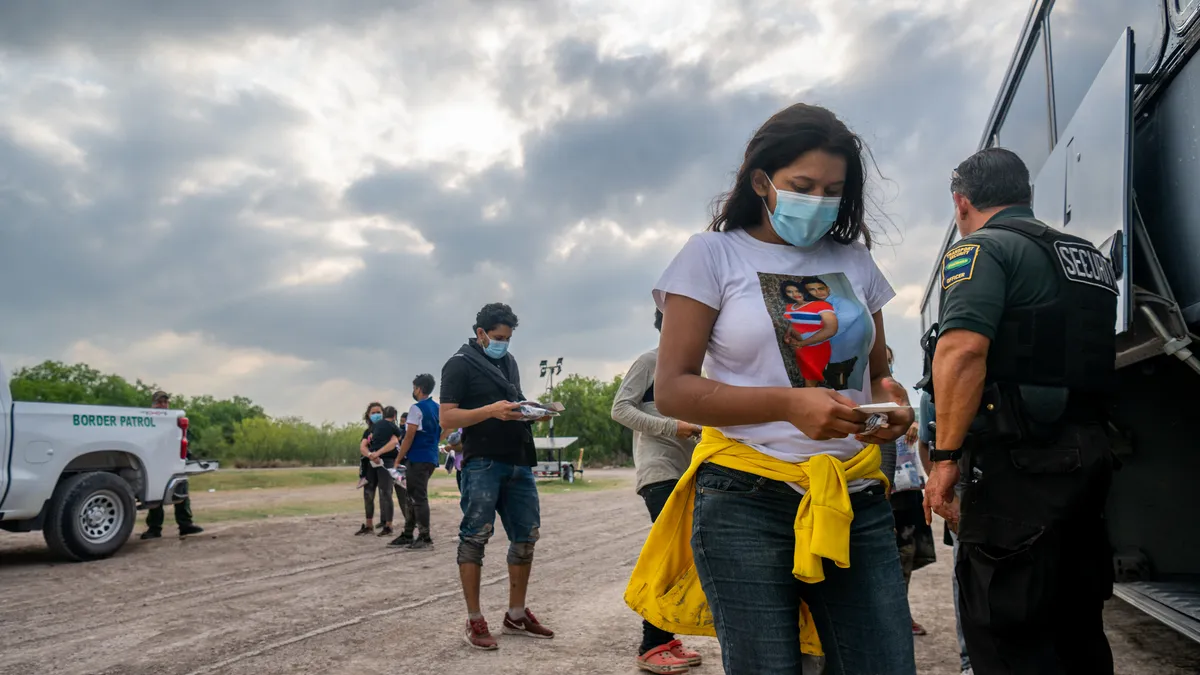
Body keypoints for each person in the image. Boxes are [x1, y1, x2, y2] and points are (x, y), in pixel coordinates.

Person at [625, 103, 916, 675]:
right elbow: (675, 390)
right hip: (744, 499)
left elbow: (878, 369)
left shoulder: (854, 260)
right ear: (761, 181)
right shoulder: (710, 255)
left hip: (853, 497)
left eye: (833, 190)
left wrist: (894, 401)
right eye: (802, 185)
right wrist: (789, 404)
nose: (819, 199)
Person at [923, 148, 1118, 675]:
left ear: (961, 203)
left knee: (1006, 629)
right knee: (1077, 627)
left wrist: (944, 460)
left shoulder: (982, 249)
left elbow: (961, 351)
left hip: (1021, 465)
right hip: (1089, 455)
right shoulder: (1088, 258)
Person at [440, 303, 555, 650]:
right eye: (498, 337)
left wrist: (531, 412)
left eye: (508, 338)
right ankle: (474, 619)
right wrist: (491, 411)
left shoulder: (508, 362)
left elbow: (512, 404)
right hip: (482, 463)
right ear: (481, 334)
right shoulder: (458, 365)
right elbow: (447, 419)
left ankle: (516, 614)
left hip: (519, 460)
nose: (503, 343)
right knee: (475, 537)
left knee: (526, 537)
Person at [611, 308, 703, 674]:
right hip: (659, 472)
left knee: (682, 555)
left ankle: (666, 638)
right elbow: (620, 409)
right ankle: (651, 644)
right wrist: (672, 427)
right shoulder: (650, 361)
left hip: (689, 473)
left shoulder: (695, 371)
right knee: (668, 555)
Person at [921, 389, 972, 675]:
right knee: (967, 569)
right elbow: (927, 445)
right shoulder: (935, 389)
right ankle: (971, 662)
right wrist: (941, 487)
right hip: (966, 480)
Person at [141, 391, 204, 539]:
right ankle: (154, 528)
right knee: (155, 497)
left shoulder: (173, 421)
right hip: (155, 463)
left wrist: (188, 454)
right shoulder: (148, 421)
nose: (163, 405)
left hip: (174, 462)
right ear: (153, 405)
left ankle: (185, 525)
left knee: (181, 493)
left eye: (165, 402)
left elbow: (180, 438)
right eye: (159, 402)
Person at [390, 374, 441, 550]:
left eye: (414, 388)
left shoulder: (416, 408)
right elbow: (447, 427)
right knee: (412, 496)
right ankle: (408, 533)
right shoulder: (437, 408)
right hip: (431, 457)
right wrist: (434, 442)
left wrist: (398, 459)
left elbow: (409, 436)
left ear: (419, 388)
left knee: (417, 497)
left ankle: (425, 537)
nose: (413, 391)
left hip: (417, 458)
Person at [779, 279, 838, 387]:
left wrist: (804, 343)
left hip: (817, 348)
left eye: (797, 290)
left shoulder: (822, 305)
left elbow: (831, 329)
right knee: (804, 378)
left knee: (810, 381)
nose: (795, 294)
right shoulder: (789, 307)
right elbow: (792, 324)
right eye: (790, 292)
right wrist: (788, 335)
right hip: (798, 349)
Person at [358, 405, 402, 538]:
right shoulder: (368, 431)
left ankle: (388, 525)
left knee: (385, 493)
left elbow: (394, 442)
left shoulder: (390, 427)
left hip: (386, 462)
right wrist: (370, 455)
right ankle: (368, 525)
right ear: (368, 415)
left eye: (379, 412)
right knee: (368, 493)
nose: (376, 415)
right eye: (373, 413)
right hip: (370, 463)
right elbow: (363, 446)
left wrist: (378, 453)